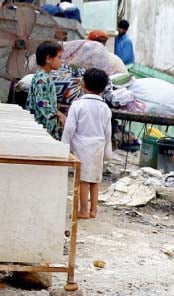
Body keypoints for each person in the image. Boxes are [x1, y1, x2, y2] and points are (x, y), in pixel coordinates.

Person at [61, 68, 113, 220]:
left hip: (82, 148)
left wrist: (64, 147)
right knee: (94, 181)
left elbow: (70, 128)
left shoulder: (78, 105)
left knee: (83, 180)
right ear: (103, 88)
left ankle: (83, 211)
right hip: (98, 147)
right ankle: (93, 210)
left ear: (83, 84)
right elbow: (108, 132)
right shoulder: (105, 108)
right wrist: (107, 151)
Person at [26, 40, 66, 139]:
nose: (61, 61)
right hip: (41, 129)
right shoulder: (42, 79)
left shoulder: (46, 76)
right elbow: (41, 103)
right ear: (48, 59)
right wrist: (58, 114)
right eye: (59, 57)